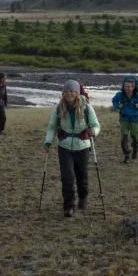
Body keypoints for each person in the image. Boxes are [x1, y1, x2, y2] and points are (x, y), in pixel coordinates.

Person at [44, 79, 101, 217]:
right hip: (64, 146)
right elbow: (52, 127)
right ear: (63, 93)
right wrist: (48, 142)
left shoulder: (87, 108)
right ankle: (68, 206)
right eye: (66, 91)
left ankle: (83, 197)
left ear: (76, 92)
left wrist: (94, 131)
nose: (69, 94)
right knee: (67, 177)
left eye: (72, 91)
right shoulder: (58, 108)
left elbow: (96, 125)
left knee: (82, 175)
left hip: (82, 146)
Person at [111, 76, 138, 163]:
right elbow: (114, 100)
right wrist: (117, 106)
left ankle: (135, 151)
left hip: (135, 120)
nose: (126, 88)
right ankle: (126, 156)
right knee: (123, 138)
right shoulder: (119, 95)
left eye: (128, 87)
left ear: (133, 87)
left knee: (136, 138)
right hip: (124, 119)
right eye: (125, 86)